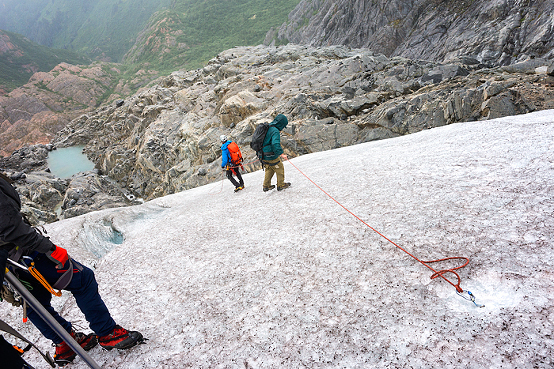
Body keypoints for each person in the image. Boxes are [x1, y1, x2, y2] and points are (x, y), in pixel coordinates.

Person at [0, 172, 143, 366]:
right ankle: (107, 333)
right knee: (82, 280)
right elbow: (13, 229)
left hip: (9, 266)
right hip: (25, 256)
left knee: (35, 304)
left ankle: (65, 342)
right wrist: (49, 248)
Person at [261, 114, 291, 191]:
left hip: (262, 154)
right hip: (270, 154)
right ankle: (281, 185)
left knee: (269, 168)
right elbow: (275, 143)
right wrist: (281, 154)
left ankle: (266, 185)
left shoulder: (267, 127)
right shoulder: (275, 131)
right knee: (279, 166)